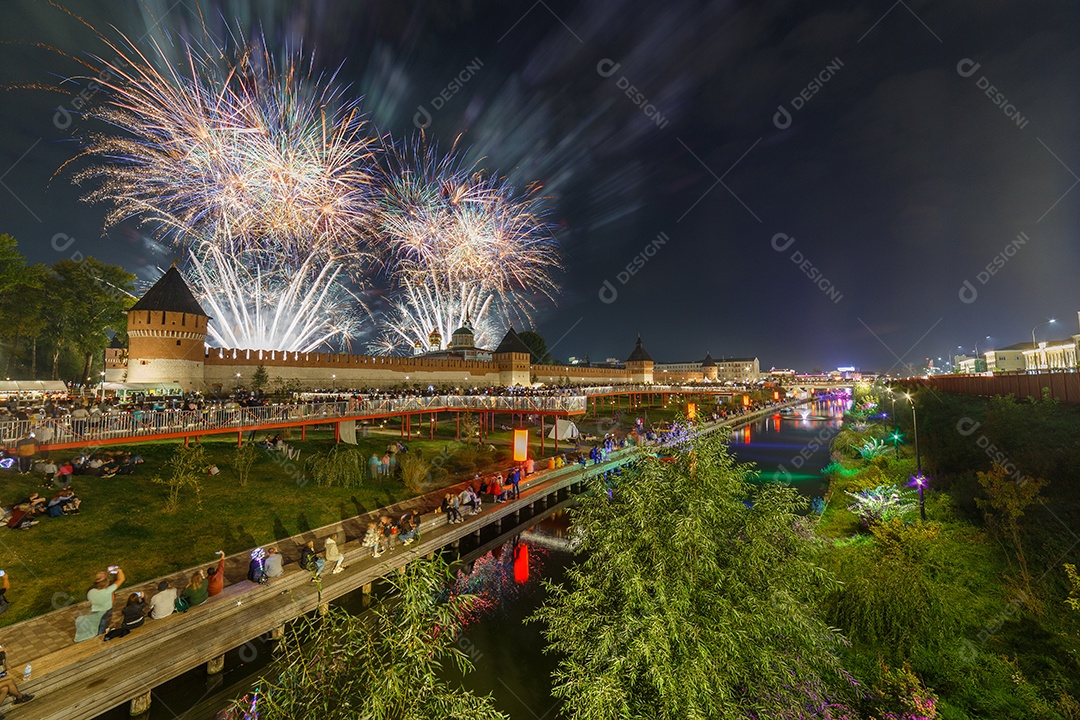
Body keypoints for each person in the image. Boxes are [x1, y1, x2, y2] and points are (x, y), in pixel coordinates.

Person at [76, 566, 126, 641]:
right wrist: (119, 570)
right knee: (103, 626)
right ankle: (100, 637)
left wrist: (104, 576)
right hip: (106, 611)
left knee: (97, 624)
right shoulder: (107, 592)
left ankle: (96, 633)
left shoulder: (90, 591)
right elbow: (121, 579)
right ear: (106, 584)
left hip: (96, 611)